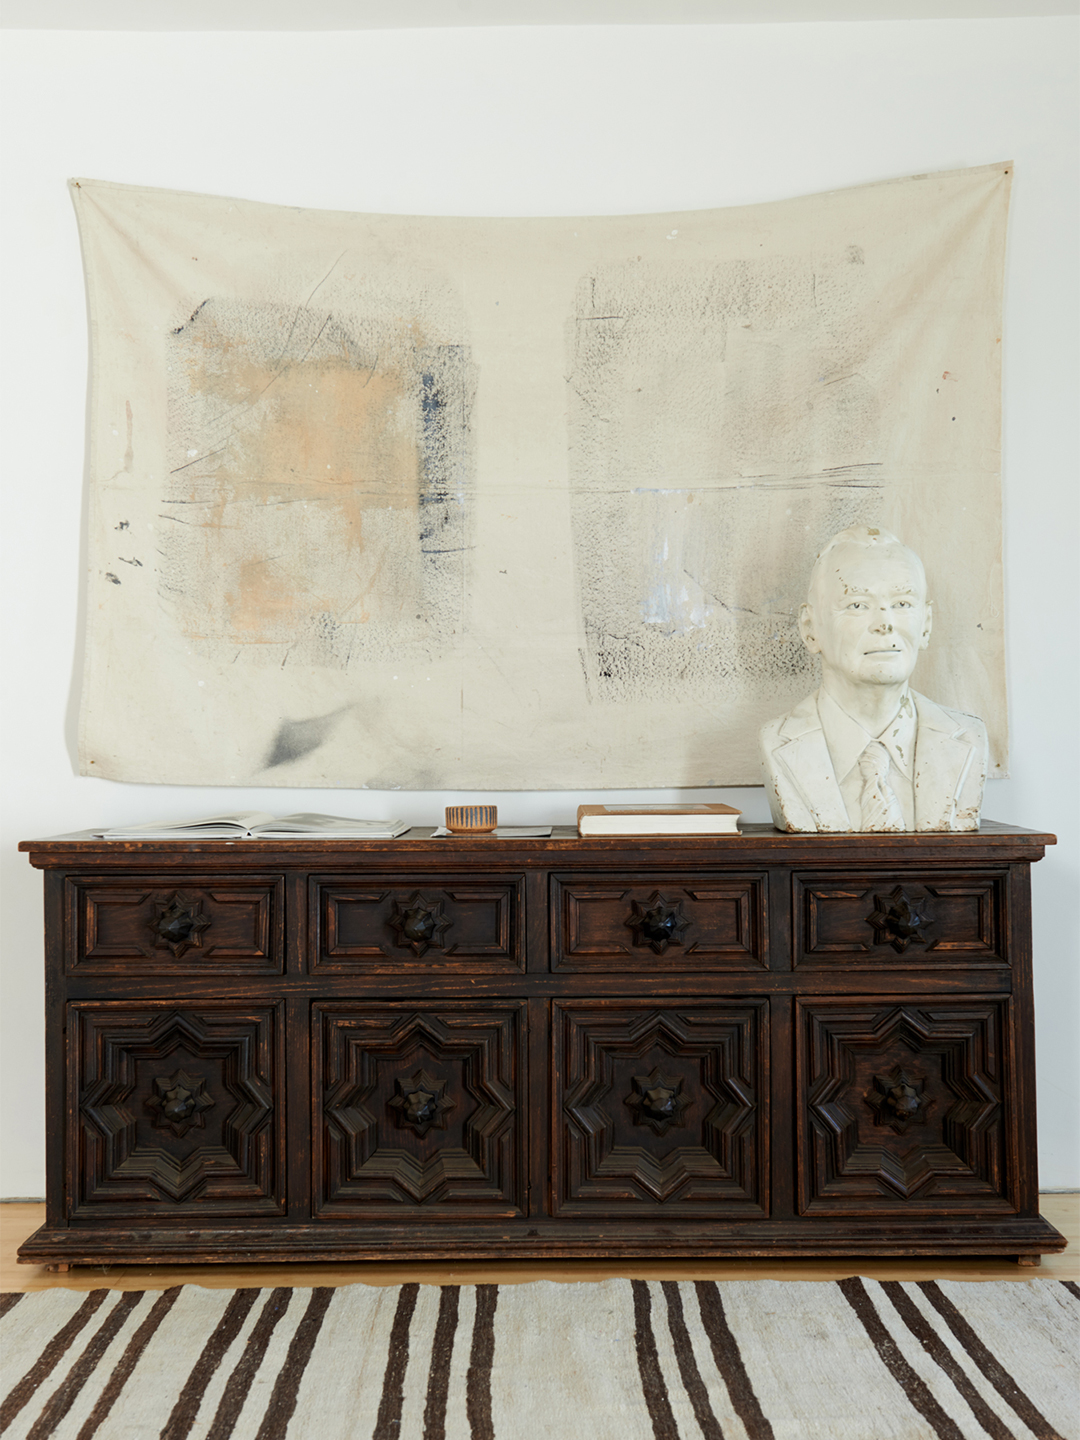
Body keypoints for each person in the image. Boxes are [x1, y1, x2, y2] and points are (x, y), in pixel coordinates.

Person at [759, 526, 987, 832]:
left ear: (926, 624)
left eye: (902, 604)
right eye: (857, 605)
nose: (884, 623)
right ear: (810, 628)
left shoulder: (969, 738)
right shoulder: (776, 741)